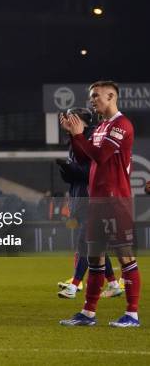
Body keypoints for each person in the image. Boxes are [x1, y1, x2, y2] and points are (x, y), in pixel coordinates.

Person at [60, 80, 140, 327]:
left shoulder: (121, 125)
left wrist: (78, 135)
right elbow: (86, 156)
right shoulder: (102, 126)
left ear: (111, 96)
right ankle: (88, 312)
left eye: (96, 96)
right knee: (95, 258)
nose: (92, 100)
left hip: (115, 200)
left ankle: (132, 314)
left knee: (125, 257)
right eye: (91, 96)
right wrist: (74, 137)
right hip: (97, 200)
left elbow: (101, 156)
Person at [56, 107, 120, 299]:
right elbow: (74, 178)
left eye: (69, 119)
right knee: (95, 245)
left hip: (93, 200)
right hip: (80, 199)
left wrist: (69, 166)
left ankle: (75, 285)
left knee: (85, 243)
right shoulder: (76, 140)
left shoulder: (92, 139)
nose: (66, 123)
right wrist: (66, 169)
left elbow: (89, 173)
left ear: (79, 120)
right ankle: (114, 284)